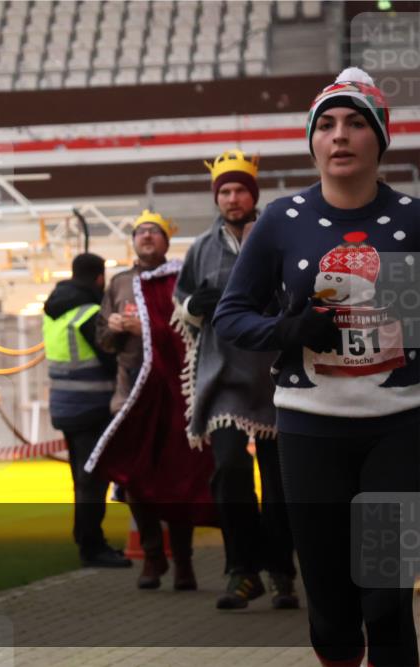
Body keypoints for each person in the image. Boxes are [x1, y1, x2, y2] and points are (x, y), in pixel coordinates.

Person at [214, 68, 419, 667]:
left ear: (380, 137)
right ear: (312, 141)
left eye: (357, 123)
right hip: (309, 430)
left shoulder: (411, 222)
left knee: (384, 597)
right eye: (326, 125)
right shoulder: (281, 220)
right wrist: (287, 330)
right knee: (330, 603)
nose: (340, 136)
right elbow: (232, 314)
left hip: (397, 428)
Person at [173, 149, 298, 610]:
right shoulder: (201, 249)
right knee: (230, 473)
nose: (231, 198)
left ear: (253, 195)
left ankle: (282, 573)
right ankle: (242, 573)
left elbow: (301, 295)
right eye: (224, 191)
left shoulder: (280, 238)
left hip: (276, 377)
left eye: (239, 189)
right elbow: (181, 300)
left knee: (280, 482)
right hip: (222, 375)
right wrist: (192, 307)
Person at [93, 211, 216, 591]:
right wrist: (112, 329)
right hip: (130, 395)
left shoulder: (180, 280)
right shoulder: (118, 283)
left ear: (166, 241)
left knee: (178, 478)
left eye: (154, 232)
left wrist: (144, 327)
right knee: (134, 479)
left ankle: (183, 561)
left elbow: (191, 332)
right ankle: (152, 555)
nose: (146, 237)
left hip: (175, 395)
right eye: (140, 232)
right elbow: (102, 339)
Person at [42, 252, 130, 569]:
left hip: (65, 405)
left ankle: (86, 539)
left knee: (81, 478)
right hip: (91, 406)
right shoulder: (89, 312)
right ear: (99, 278)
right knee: (93, 479)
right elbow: (111, 358)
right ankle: (93, 546)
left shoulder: (54, 309)